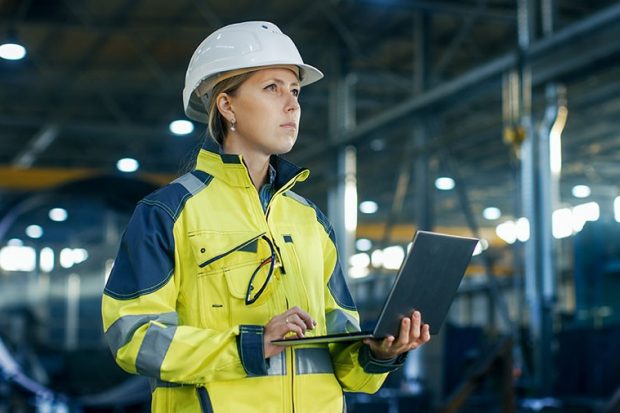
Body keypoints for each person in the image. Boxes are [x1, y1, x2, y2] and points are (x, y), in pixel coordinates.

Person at [101, 21, 431, 412]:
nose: (292, 104)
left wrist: (379, 353)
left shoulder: (310, 221)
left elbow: (342, 355)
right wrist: (250, 346)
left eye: (294, 91)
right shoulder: (167, 213)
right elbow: (132, 338)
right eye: (272, 88)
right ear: (227, 105)